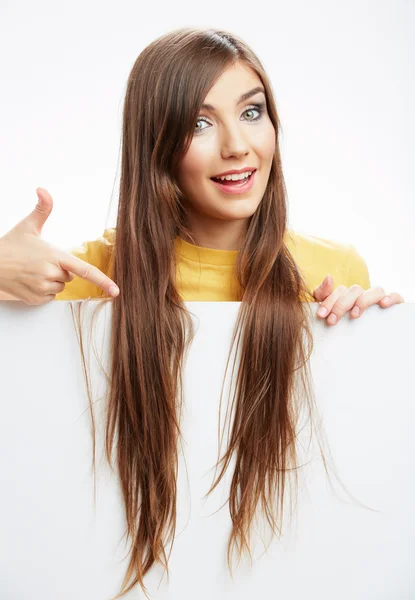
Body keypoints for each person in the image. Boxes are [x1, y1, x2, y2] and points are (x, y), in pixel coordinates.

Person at [0, 27, 404, 600]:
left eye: (253, 111)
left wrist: (375, 333)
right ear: (155, 142)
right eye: (199, 122)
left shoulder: (332, 269)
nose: (238, 145)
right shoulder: (92, 276)